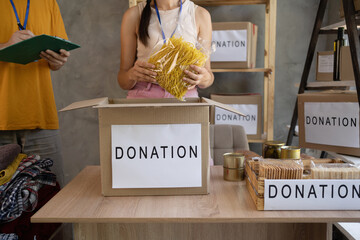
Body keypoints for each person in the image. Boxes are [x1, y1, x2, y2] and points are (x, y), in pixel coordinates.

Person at [0, 0, 70, 186]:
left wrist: (57, 62)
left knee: (51, 200)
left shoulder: (48, 2)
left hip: (41, 117)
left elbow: (56, 58)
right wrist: (5, 45)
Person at [118, 0, 214, 98]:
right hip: (144, 96)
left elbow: (208, 76)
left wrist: (203, 78)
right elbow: (123, 81)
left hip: (183, 97)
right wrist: (131, 75)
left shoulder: (200, 14)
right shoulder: (133, 14)